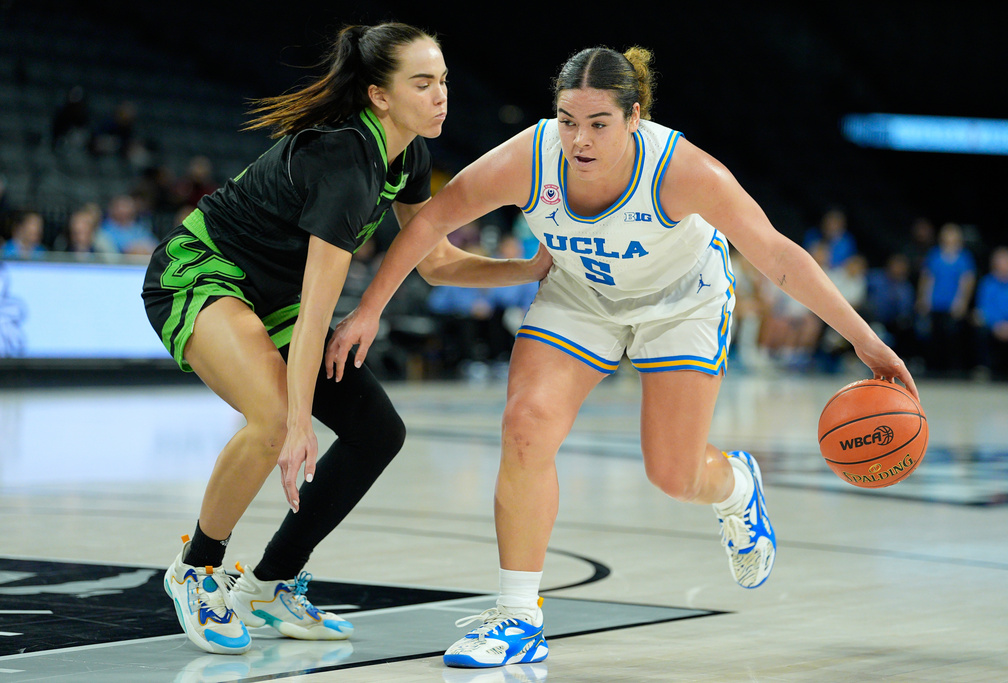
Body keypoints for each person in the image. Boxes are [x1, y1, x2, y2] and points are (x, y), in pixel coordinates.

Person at [325, 45, 918, 669]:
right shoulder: (531, 157)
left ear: (635, 117)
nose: (578, 139)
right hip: (581, 296)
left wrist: (864, 339)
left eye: (598, 123)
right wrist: (370, 310)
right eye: (566, 120)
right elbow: (427, 224)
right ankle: (519, 614)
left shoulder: (685, 172)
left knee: (673, 473)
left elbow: (776, 256)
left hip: (681, 304)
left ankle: (736, 482)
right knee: (525, 426)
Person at [141, 22, 551, 656]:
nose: (441, 95)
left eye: (443, 80)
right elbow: (317, 314)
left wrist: (526, 270)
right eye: (422, 82)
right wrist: (300, 420)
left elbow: (436, 262)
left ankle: (272, 579)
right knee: (274, 420)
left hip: (273, 299)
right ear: (379, 95)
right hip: (202, 272)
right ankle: (197, 567)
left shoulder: (408, 152)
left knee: (378, 432)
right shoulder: (343, 159)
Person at [915, 222, 976, 375]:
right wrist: (924, 298)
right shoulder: (935, 255)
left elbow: (967, 280)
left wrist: (961, 301)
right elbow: (928, 277)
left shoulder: (964, 257)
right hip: (935, 302)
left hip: (952, 303)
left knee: (952, 337)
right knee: (934, 336)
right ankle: (934, 367)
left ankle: (953, 368)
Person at [973, 246, 1008, 380]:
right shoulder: (987, 283)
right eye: (1000, 261)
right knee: (979, 323)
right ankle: (984, 366)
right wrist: (996, 324)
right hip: (994, 326)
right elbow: (983, 308)